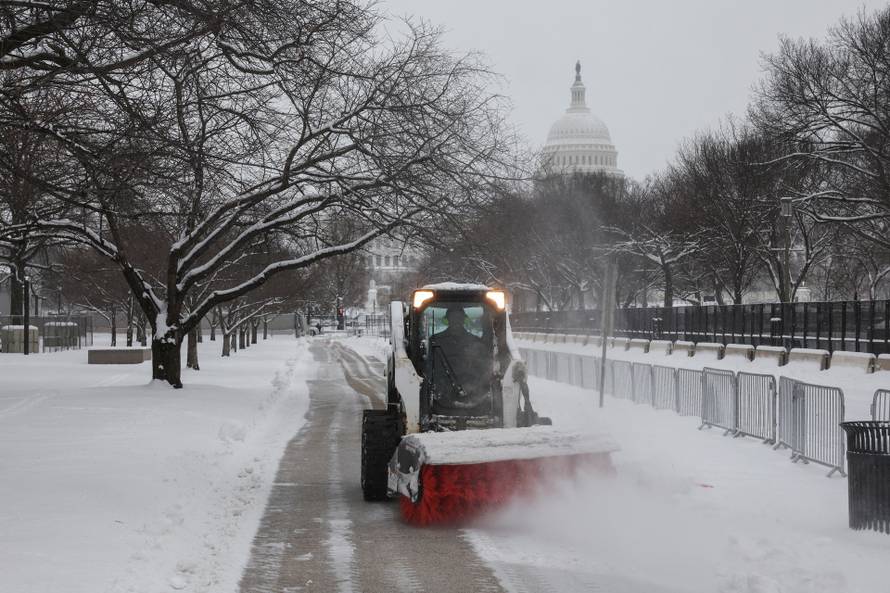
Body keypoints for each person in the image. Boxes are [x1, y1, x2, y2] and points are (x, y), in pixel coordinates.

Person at [428, 306, 489, 412]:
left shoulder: (476, 342)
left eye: (458, 318)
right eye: (453, 318)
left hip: (472, 396)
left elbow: (484, 368)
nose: (456, 321)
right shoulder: (434, 341)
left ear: (463, 320)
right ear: (448, 320)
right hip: (439, 395)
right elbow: (427, 367)